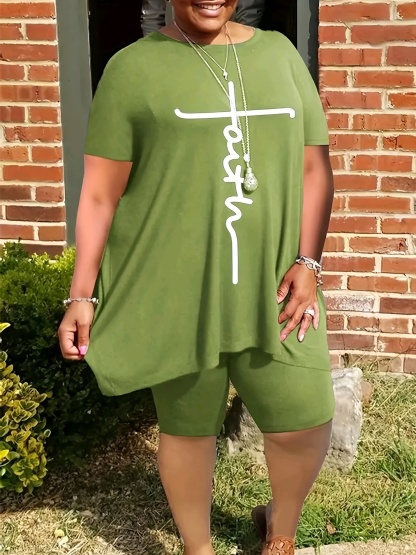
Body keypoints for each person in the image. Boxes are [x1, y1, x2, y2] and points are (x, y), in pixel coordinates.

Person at [58, 1, 335, 554]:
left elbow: (314, 169)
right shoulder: (133, 69)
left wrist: (309, 262)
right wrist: (81, 295)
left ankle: (280, 530)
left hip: (275, 285)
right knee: (188, 428)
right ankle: (197, 547)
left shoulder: (280, 55)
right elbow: (99, 193)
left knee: (302, 417)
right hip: (179, 285)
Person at [141, 0, 265, 35]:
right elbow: (152, 15)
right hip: (173, 44)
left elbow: (249, 10)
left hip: (228, 45)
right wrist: (156, 49)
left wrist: (241, 45)